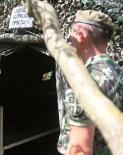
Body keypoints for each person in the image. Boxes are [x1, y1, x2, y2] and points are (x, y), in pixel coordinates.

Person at [56, 10, 123, 155]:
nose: (70, 40)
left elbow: (80, 151)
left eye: (71, 34)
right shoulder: (118, 71)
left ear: (80, 35)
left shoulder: (84, 84)